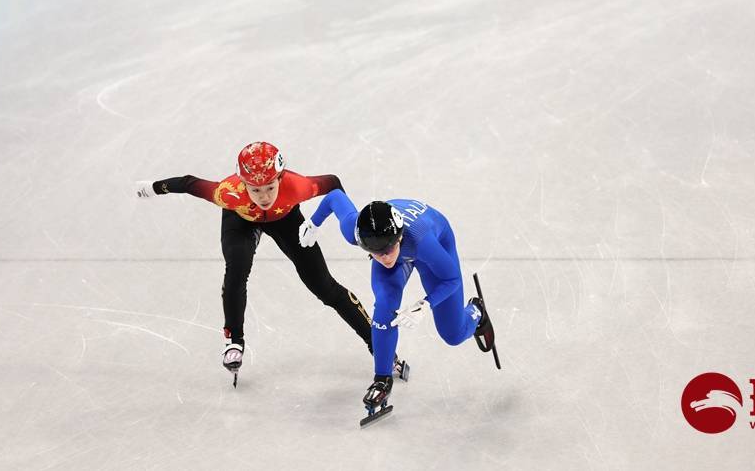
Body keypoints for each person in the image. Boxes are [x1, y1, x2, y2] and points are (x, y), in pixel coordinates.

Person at [134, 141, 373, 381]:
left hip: (286, 219)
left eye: (270, 187)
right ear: (243, 184)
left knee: (324, 286)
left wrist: (357, 231)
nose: (264, 197)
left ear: (280, 178)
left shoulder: (298, 186)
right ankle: (234, 341)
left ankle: (376, 342)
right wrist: (153, 188)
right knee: (237, 268)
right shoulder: (228, 192)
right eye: (255, 189)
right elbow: (188, 183)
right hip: (240, 219)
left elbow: (333, 184)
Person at [299, 191, 495, 417]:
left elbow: (450, 279)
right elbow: (334, 197)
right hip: (403, 247)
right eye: (376, 253)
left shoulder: (423, 242)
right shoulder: (355, 231)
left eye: (388, 249)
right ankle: (382, 380)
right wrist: (313, 223)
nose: (385, 258)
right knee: (384, 307)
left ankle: (476, 312)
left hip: (434, 242)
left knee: (453, 334)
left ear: (399, 238)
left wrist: (426, 303)